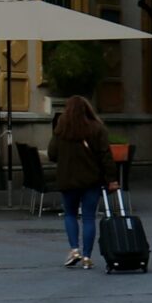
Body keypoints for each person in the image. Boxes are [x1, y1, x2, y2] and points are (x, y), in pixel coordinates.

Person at [47, 94, 115, 269]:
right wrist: (112, 179)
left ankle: (74, 249)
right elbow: (106, 156)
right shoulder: (97, 129)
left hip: (68, 180)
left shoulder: (61, 129)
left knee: (70, 214)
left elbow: (52, 154)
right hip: (91, 180)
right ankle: (87, 257)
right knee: (88, 217)